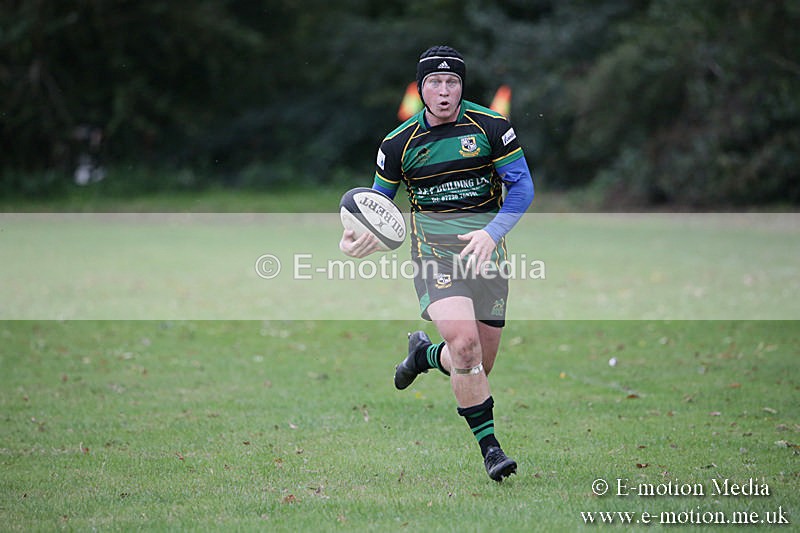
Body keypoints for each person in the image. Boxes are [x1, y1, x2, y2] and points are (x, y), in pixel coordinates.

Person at [340, 45, 534, 482]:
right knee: (465, 349)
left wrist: (491, 233)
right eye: (434, 82)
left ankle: (423, 356)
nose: (443, 91)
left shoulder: (491, 127)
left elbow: (522, 188)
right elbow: (378, 209)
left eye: (452, 82)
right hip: (434, 258)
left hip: (487, 255)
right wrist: (359, 237)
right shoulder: (397, 144)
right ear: (421, 87)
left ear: (461, 86)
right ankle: (492, 452)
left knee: (479, 363)